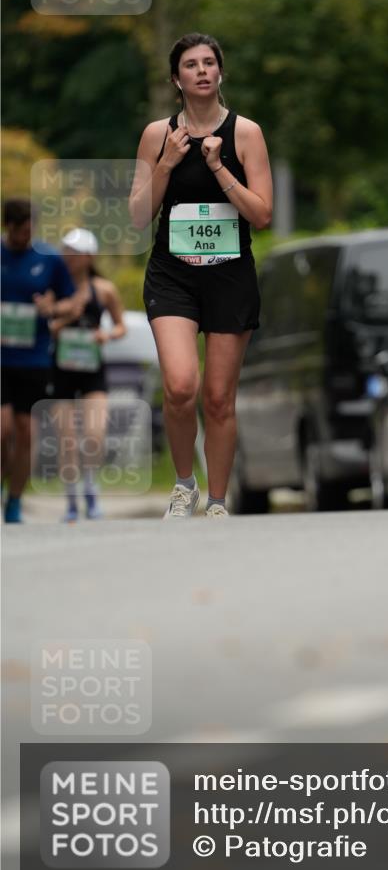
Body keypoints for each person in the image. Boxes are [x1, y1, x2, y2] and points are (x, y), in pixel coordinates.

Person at [129, 32, 272, 519]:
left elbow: (262, 214)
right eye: (191, 64)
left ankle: (216, 501)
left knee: (217, 398)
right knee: (181, 386)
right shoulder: (157, 135)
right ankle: (184, 483)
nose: (202, 70)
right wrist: (167, 162)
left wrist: (218, 167)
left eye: (210, 62)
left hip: (230, 276)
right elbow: (136, 215)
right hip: (174, 277)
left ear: (220, 73)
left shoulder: (246, 134)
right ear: (177, 78)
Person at [1, 199, 77, 523]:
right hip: (2, 359)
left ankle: (15, 500)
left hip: (34, 361)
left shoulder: (48, 258)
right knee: (2, 430)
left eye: (30, 230)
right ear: (8, 227)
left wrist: (53, 308)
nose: (25, 237)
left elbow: (72, 303)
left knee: (26, 434)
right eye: (19, 232)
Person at [50, 228, 127, 522]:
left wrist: (106, 335)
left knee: (95, 434)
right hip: (61, 370)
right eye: (65, 251)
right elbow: (44, 328)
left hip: (92, 370)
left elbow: (121, 326)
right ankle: (71, 499)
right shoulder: (54, 289)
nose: (69, 257)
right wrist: (65, 319)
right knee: (66, 438)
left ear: (89, 256)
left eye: (75, 252)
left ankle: (91, 488)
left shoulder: (103, 289)